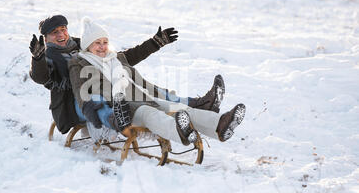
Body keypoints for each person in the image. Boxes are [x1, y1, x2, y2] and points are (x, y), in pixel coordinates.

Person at [29, 14, 225, 135]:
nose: (61, 34)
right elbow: (41, 77)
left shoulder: (84, 43)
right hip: (76, 104)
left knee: (146, 89)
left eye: (63, 29)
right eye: (55, 33)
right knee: (97, 99)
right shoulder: (48, 55)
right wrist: (37, 59)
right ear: (46, 38)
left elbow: (122, 57)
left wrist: (154, 43)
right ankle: (116, 119)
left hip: (108, 91)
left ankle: (198, 104)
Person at [68, 17, 246, 145]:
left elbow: (135, 53)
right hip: (119, 109)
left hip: (140, 98)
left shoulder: (114, 58)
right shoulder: (80, 63)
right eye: (96, 43)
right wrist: (87, 106)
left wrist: (155, 42)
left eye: (104, 42)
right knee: (149, 113)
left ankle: (220, 125)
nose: (102, 47)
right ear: (87, 46)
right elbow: (79, 90)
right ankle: (180, 133)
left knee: (176, 108)